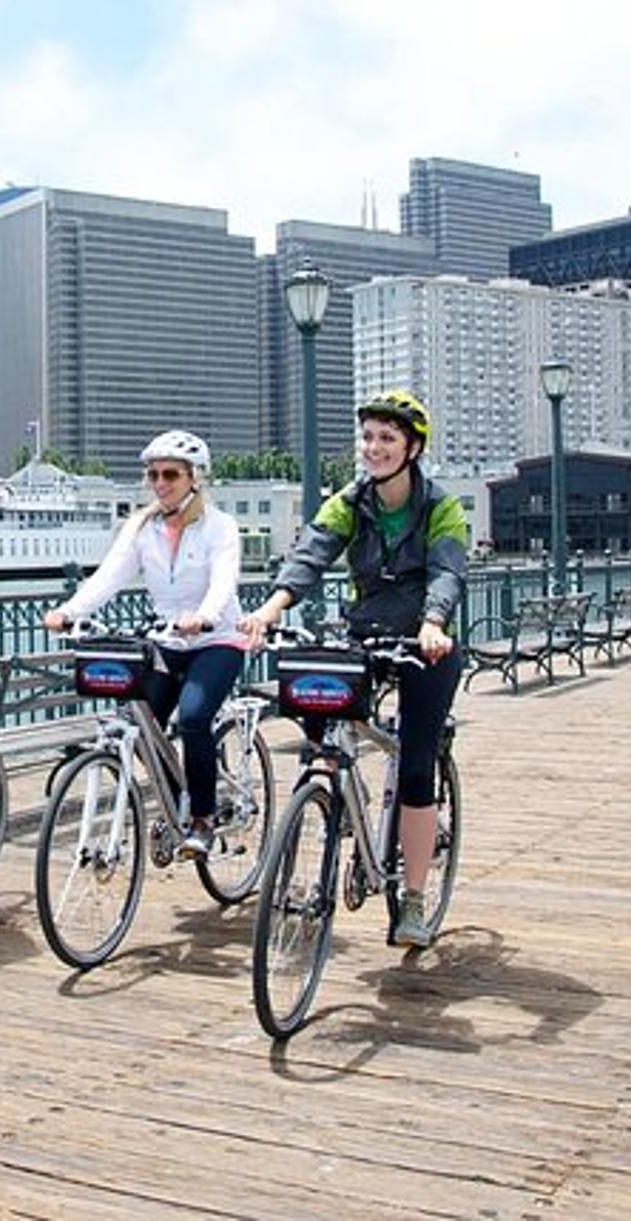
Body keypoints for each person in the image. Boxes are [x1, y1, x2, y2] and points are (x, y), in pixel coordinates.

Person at [240, 390, 467, 948]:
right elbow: (310, 554)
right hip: (365, 632)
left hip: (425, 642)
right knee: (318, 718)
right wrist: (270, 610)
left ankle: (412, 901)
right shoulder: (350, 501)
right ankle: (339, 795)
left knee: (415, 764)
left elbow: (447, 570)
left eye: (388, 438)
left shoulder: (441, 505)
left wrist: (434, 622)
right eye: (368, 437)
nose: (375, 447)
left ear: (412, 447)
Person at [43, 430, 244, 859]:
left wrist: (205, 614)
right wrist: (70, 612)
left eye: (170, 474)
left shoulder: (219, 527)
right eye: (152, 474)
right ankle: (175, 804)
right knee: (139, 721)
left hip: (217, 639)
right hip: (166, 638)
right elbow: (109, 577)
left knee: (192, 718)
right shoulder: (142, 528)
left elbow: (224, 581)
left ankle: (203, 821)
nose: (159, 483)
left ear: (195, 478)